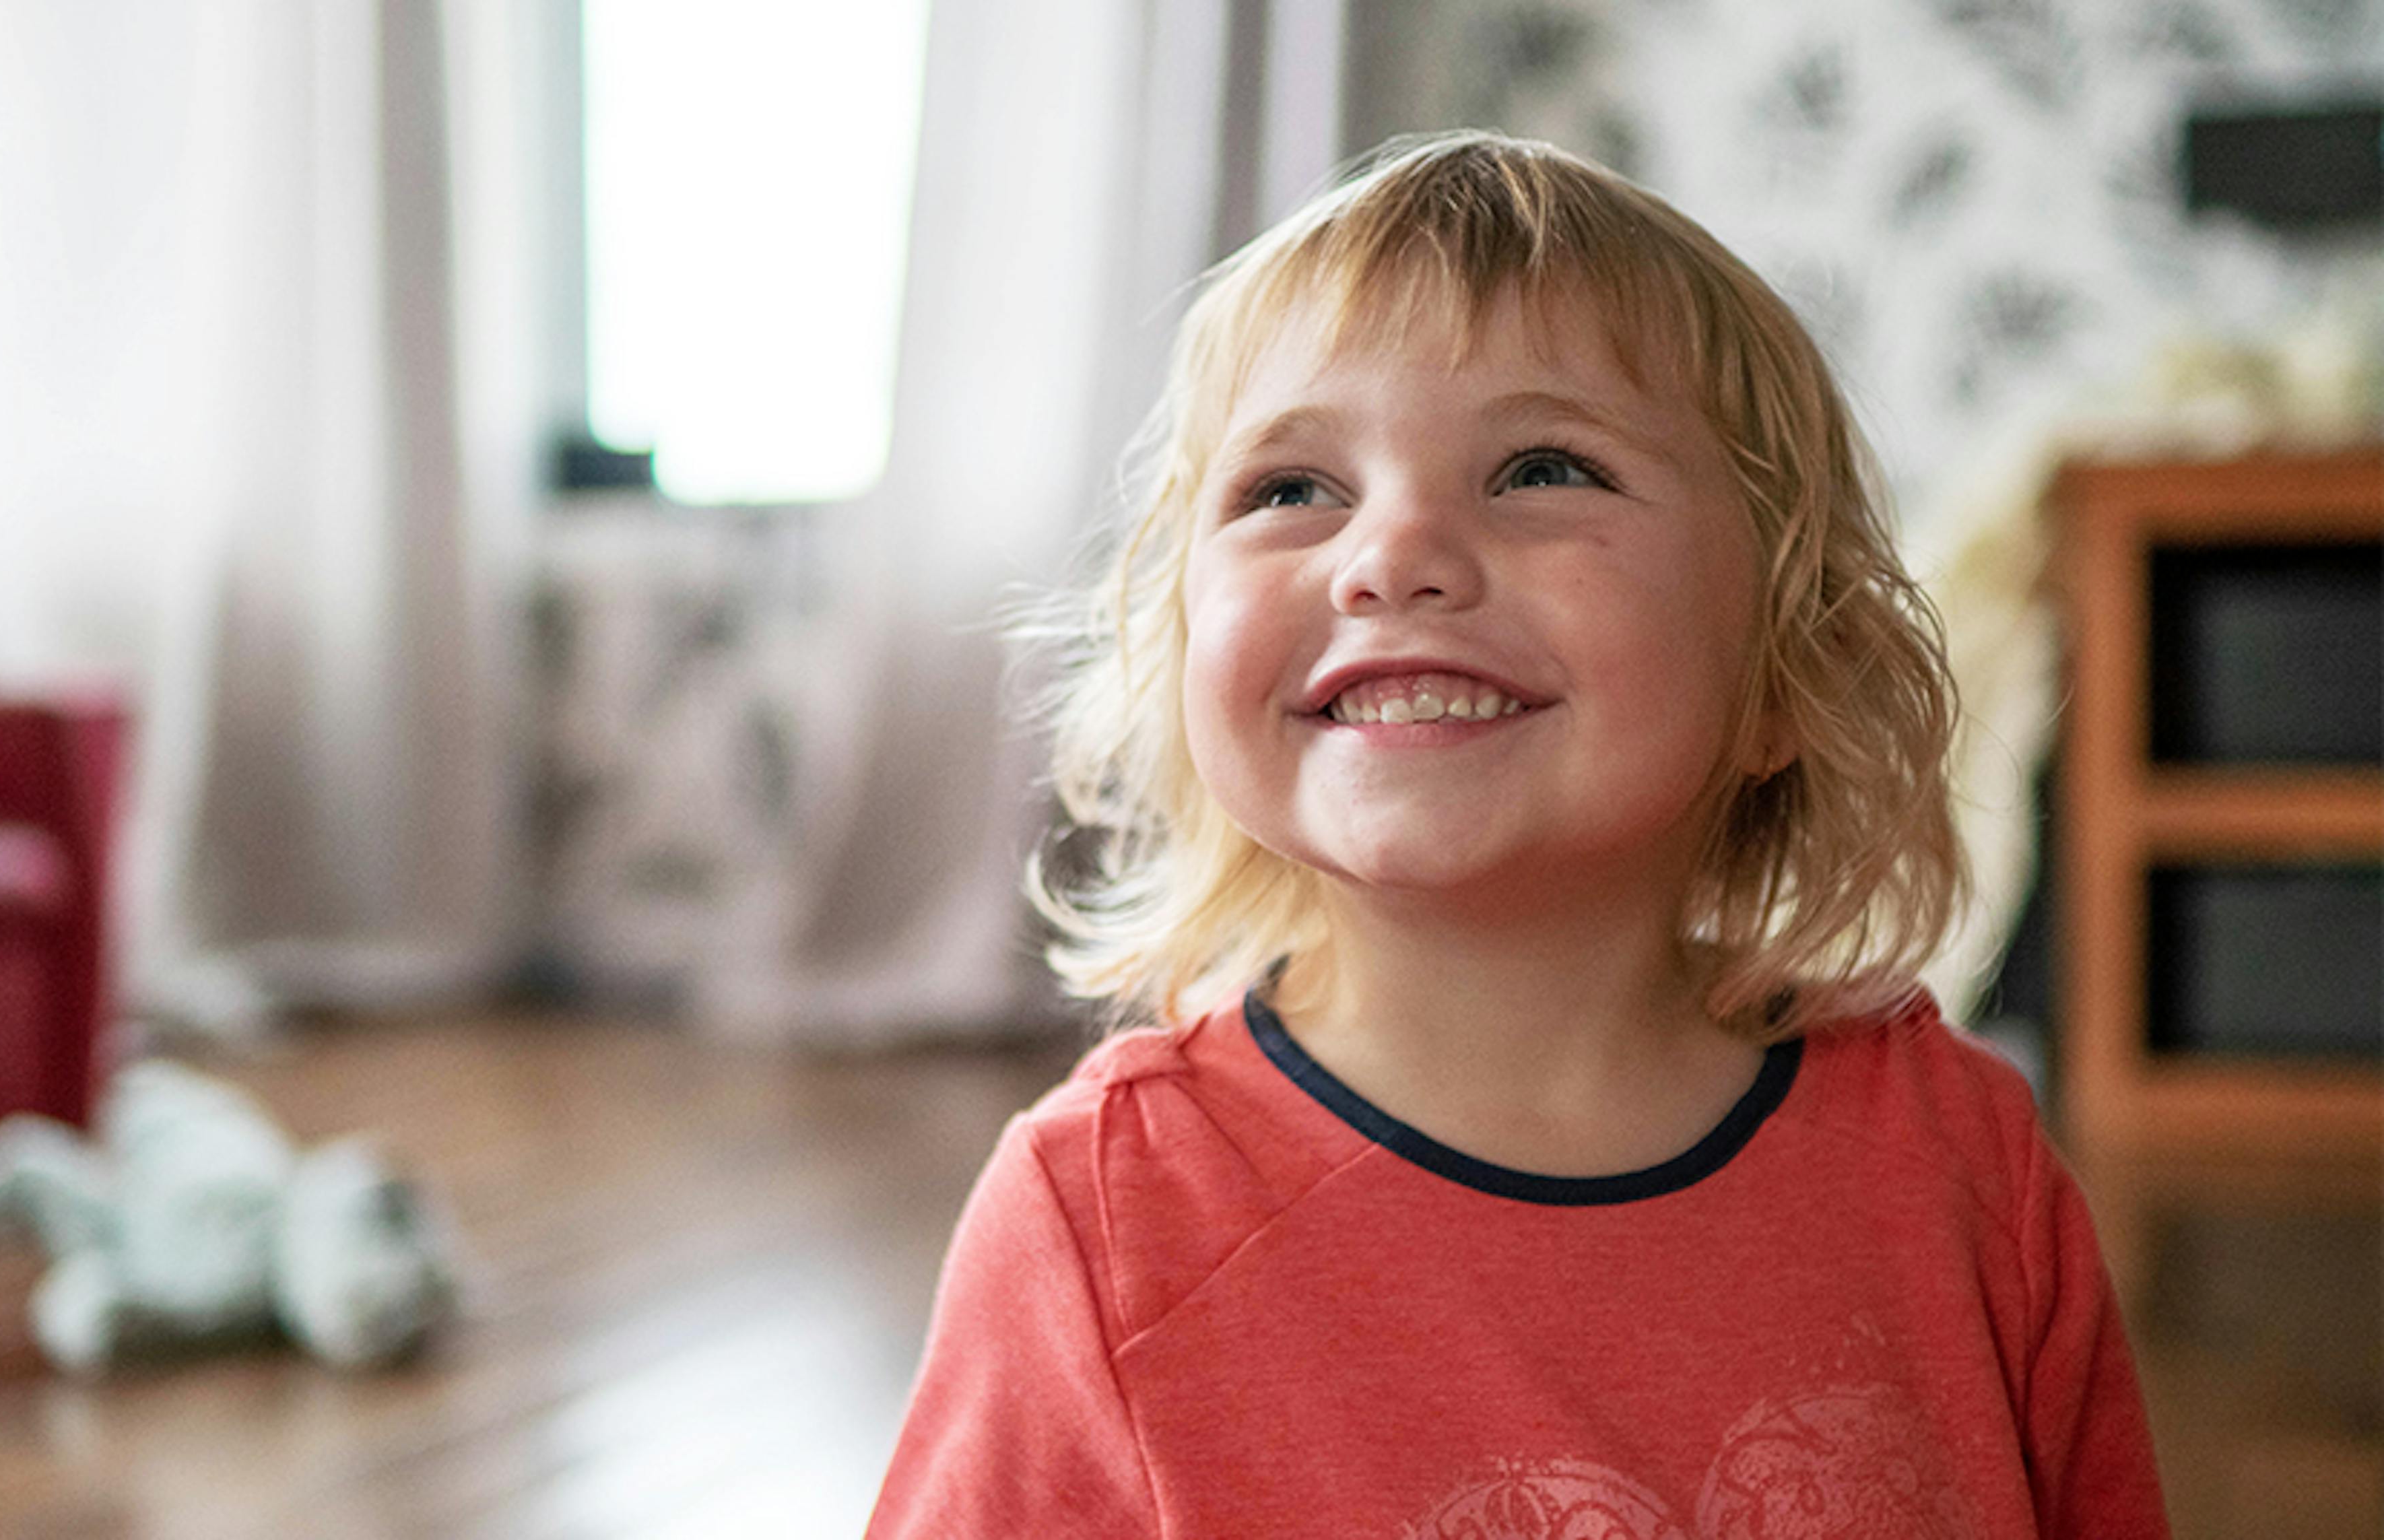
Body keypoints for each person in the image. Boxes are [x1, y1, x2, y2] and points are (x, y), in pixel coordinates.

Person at [867, 132, 2166, 1538]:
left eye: (1545, 467)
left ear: (1789, 670)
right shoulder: (1102, 1217)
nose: (1392, 554)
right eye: (1290, 489)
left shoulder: (1961, 1157)